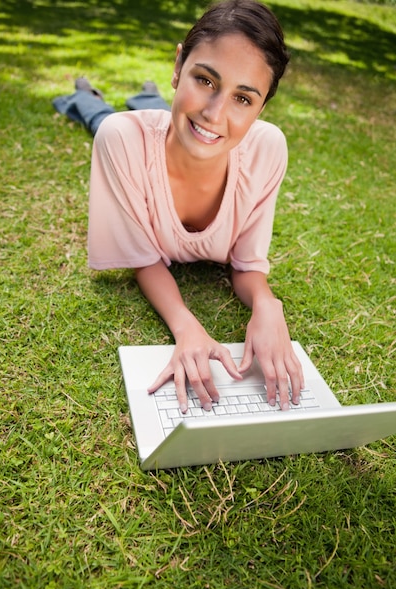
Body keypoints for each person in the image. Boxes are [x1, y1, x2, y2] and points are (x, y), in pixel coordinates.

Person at [70, 0, 305, 413]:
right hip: (142, 134)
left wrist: (268, 304)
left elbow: (248, 266)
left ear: (262, 107)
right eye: (205, 79)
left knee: (189, 121)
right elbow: (143, 259)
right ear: (179, 65)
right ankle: (87, 95)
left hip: (179, 125)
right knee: (102, 118)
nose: (217, 113)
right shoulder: (122, 141)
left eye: (244, 99)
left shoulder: (267, 149)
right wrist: (186, 325)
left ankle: (150, 96)